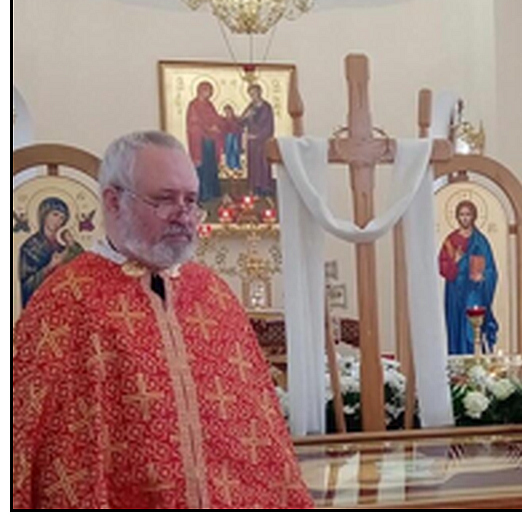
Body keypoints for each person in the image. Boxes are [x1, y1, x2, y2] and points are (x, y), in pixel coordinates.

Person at [13, 131, 313, 509]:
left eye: (191, 200)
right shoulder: (66, 302)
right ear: (113, 201)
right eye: (164, 200)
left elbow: (263, 434)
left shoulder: (214, 296)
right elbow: (32, 444)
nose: (184, 216)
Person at [438, 200, 499, 354]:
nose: (465, 218)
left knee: (471, 329)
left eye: (468, 214)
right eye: (462, 215)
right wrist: (456, 262)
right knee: (456, 328)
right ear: (457, 217)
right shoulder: (450, 241)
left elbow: (491, 269)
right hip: (455, 292)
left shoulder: (480, 241)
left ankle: (476, 361)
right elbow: (442, 267)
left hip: (474, 291)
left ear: (474, 217)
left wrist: (483, 276)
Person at [19, 197, 84, 308]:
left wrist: (72, 244)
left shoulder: (65, 245)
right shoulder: (31, 246)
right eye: (55, 215)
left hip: (65, 305)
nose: (58, 221)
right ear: (44, 215)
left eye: (62, 218)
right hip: (41, 308)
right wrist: (50, 267)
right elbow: (26, 286)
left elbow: (86, 266)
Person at [185, 81, 224, 203]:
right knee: (203, 167)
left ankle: (212, 193)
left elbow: (215, 118)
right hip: (200, 141)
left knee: (211, 167)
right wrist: (209, 128)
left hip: (210, 141)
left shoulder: (209, 105)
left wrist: (225, 121)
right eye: (207, 90)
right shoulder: (193, 105)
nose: (209, 93)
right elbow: (194, 123)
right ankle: (204, 194)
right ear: (200, 90)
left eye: (210, 91)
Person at [241, 84, 275, 197]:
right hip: (252, 142)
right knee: (253, 164)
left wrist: (257, 136)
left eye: (254, 93)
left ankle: (264, 188)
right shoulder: (251, 107)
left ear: (259, 93)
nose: (252, 96)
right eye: (250, 94)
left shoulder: (266, 107)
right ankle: (254, 187)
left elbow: (268, 126)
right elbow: (241, 122)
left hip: (262, 141)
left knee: (263, 164)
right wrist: (246, 116)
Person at [222, 104, 243, 172]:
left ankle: (236, 165)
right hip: (228, 137)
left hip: (235, 137)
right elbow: (223, 130)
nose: (228, 114)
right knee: (229, 150)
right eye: (226, 112)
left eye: (229, 112)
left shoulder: (236, 119)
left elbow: (240, 128)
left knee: (235, 150)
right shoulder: (224, 120)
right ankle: (230, 165)